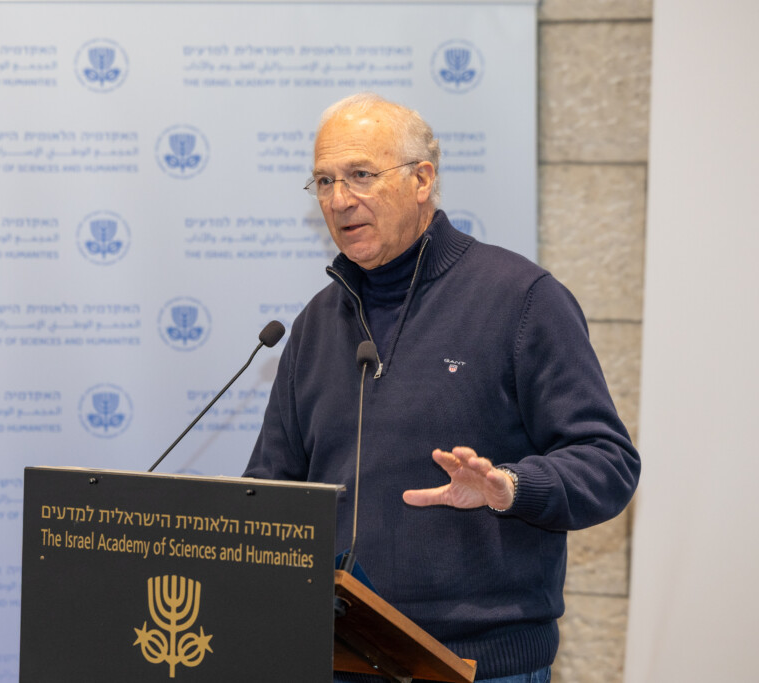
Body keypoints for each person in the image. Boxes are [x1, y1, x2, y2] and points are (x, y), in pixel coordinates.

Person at [243, 93, 640, 682]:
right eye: (324, 181)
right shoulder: (317, 323)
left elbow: (608, 463)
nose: (339, 199)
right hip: (338, 655)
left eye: (360, 175)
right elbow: (271, 487)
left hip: (481, 666)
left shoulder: (521, 299)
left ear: (422, 179)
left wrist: (509, 487)